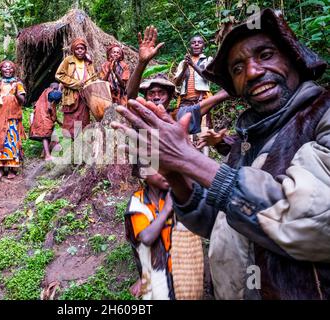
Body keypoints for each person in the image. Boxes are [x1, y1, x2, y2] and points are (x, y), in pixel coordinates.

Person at [112, 9, 329, 299]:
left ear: (294, 58)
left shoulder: (322, 115)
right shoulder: (245, 141)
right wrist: (179, 177)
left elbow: (314, 221)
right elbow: (220, 219)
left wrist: (189, 159)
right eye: (237, 68)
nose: (251, 72)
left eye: (265, 55)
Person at [126, 26, 229, 131]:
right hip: (145, 146)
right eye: (151, 93)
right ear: (146, 97)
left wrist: (236, 85)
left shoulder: (177, 116)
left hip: (200, 97)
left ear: (170, 97)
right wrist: (142, 63)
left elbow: (209, 102)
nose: (156, 97)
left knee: (203, 129)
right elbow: (130, 97)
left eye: (161, 93)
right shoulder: (141, 115)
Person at [125, 166, 175, 300]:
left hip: (182, 274)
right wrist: (166, 210)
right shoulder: (137, 203)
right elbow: (147, 238)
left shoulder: (173, 194)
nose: (166, 173)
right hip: (156, 280)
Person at [0, 60, 26, 181]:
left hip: (12, 117)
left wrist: (16, 89)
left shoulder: (18, 83)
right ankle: (0, 169)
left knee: (11, 141)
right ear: (1, 70)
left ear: (13, 70)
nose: (8, 69)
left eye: (10, 68)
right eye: (5, 67)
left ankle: (12, 168)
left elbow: (22, 100)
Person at [55, 38, 97, 139]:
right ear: (73, 50)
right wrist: (76, 83)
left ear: (85, 50)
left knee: (83, 119)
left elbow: (94, 77)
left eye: (82, 48)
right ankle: (69, 144)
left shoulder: (88, 62)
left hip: (85, 96)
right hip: (71, 96)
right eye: (77, 48)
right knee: (71, 119)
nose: (79, 50)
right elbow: (59, 75)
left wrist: (90, 85)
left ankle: (82, 143)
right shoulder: (68, 60)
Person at [29, 83, 62, 161]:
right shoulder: (49, 92)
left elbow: (50, 109)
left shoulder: (46, 97)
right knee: (45, 135)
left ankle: (44, 153)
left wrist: (58, 121)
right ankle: (47, 156)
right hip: (43, 118)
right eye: (56, 89)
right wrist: (60, 88)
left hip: (43, 117)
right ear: (54, 88)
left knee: (47, 135)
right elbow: (57, 96)